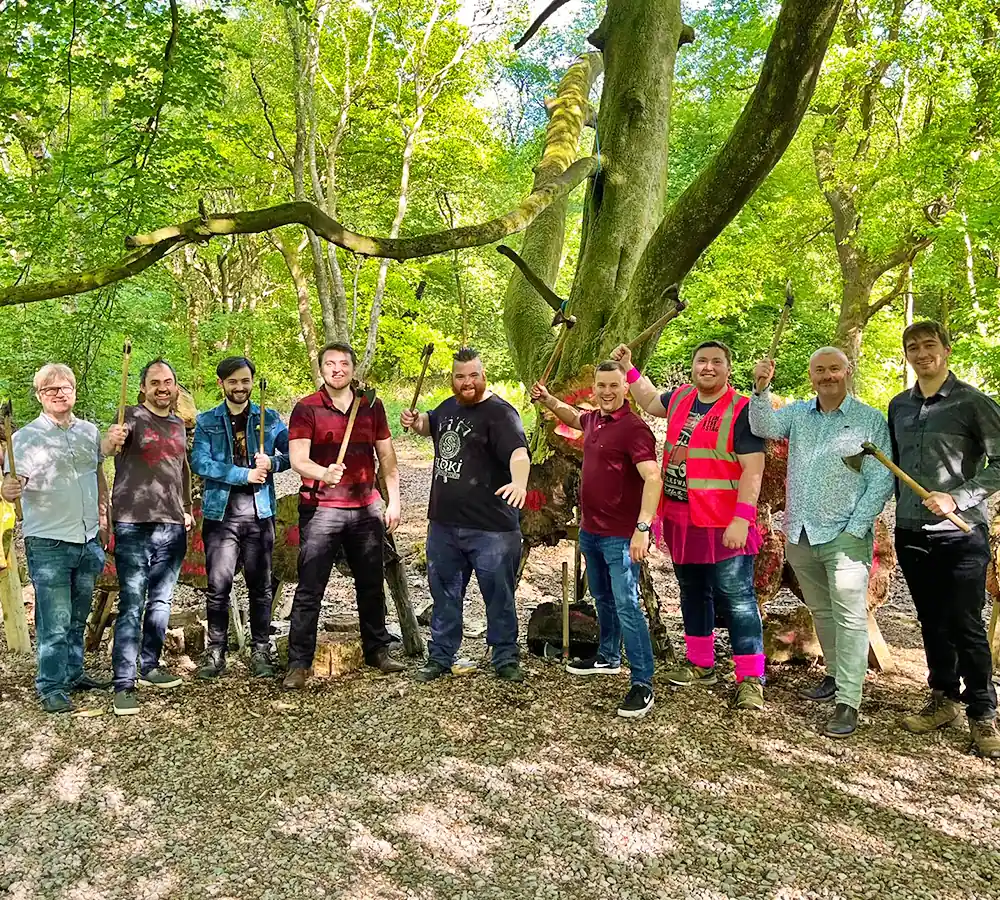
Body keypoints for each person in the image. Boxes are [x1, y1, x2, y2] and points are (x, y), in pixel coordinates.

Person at [612, 340, 767, 710]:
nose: (708, 367)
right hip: (683, 518)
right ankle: (701, 664)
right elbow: (650, 401)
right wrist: (630, 369)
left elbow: (753, 469)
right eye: (701, 361)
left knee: (738, 599)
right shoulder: (682, 397)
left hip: (724, 522)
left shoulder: (742, 410)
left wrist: (742, 519)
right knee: (692, 591)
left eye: (716, 362)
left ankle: (751, 678)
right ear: (693, 367)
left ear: (729, 369)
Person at [749, 348, 894, 737]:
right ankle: (834, 675)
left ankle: (849, 701)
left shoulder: (868, 419)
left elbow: (881, 479)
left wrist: (856, 526)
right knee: (823, 611)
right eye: (819, 370)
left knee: (849, 617)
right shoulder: (798, 414)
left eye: (834, 369)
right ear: (811, 376)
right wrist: (760, 389)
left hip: (845, 536)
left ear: (848, 371)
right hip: (800, 531)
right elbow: (764, 426)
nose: (827, 376)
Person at [889, 321, 1000, 758]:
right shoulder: (898, 405)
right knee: (931, 621)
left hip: (962, 534)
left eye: (929, 345)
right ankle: (943, 699)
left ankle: (984, 713)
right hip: (911, 532)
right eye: (912, 347)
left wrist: (958, 497)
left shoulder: (973, 403)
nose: (921, 353)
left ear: (947, 350)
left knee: (966, 625)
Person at [530, 361, 661, 719]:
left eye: (613, 386)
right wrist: (548, 400)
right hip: (592, 531)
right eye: (601, 385)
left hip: (622, 537)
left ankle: (643, 683)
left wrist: (643, 528)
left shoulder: (635, 429)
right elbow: (573, 417)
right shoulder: (594, 420)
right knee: (601, 596)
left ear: (625, 388)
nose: (606, 391)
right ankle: (607, 656)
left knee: (627, 606)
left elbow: (653, 478)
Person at [400, 348, 530, 683]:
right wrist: (417, 423)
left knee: (498, 595)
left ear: (483, 374)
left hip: (491, 529)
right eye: (460, 376)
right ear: (452, 379)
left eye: (473, 375)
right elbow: (432, 424)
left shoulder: (501, 414)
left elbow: (518, 452)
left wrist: (519, 482)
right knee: (444, 594)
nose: (467, 382)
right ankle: (441, 656)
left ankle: (505, 656)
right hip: (444, 525)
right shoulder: (449, 405)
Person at [282, 342, 404, 688]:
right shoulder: (306, 408)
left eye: (344, 364)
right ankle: (299, 662)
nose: (338, 369)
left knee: (371, 583)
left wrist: (393, 500)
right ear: (321, 369)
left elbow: (387, 457)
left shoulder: (372, 406)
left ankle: (377, 649)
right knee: (310, 587)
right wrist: (323, 473)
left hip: (365, 508)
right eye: (330, 364)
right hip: (321, 509)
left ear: (353, 369)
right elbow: (297, 459)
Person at [1, 364, 121, 713]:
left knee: (76, 616)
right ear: (39, 396)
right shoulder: (24, 438)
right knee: (53, 620)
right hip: (49, 541)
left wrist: (104, 517)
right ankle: (50, 684)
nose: (58, 393)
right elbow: (12, 485)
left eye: (64, 387)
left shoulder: (86, 431)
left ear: (74, 391)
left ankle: (72, 673)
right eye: (49, 389)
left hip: (86, 539)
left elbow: (98, 462)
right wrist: (7, 488)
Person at [190, 356, 290, 680]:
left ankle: (261, 649)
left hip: (260, 515)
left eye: (245, 380)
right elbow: (201, 463)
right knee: (218, 586)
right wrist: (242, 474)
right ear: (221, 384)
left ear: (252, 381)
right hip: (221, 517)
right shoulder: (207, 421)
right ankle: (216, 650)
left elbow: (293, 454)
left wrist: (272, 462)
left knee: (261, 587)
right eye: (233, 381)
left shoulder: (269, 419)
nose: (240, 387)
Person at [108, 359, 193, 716]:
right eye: (155, 382)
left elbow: (181, 469)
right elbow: (111, 446)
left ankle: (149, 665)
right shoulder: (128, 416)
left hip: (171, 524)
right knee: (131, 603)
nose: (162, 387)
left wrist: (186, 506)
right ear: (143, 387)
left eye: (168, 381)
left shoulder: (177, 423)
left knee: (160, 602)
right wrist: (111, 439)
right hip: (133, 522)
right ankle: (123, 683)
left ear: (175, 387)